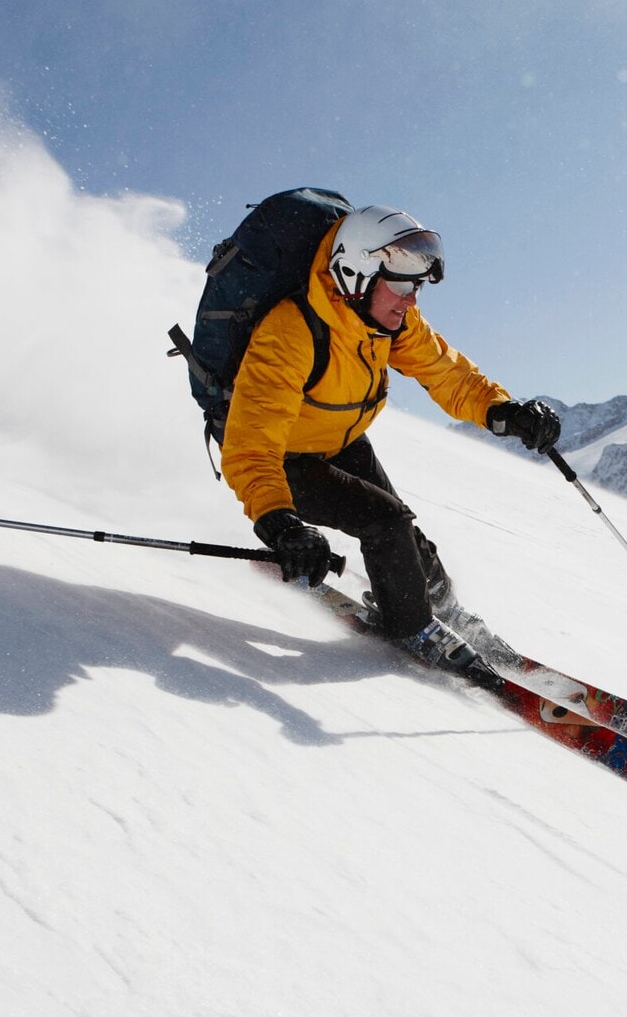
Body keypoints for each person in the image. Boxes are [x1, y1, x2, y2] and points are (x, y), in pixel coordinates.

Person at [222, 204, 562, 670]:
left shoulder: (386, 320)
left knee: (405, 535)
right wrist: (281, 524)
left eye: (417, 287)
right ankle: (413, 629)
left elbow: (446, 373)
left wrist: (504, 411)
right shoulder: (289, 332)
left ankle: (446, 611)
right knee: (385, 522)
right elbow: (251, 445)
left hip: (339, 440)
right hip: (281, 458)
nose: (411, 300)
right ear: (356, 275)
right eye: (401, 286)